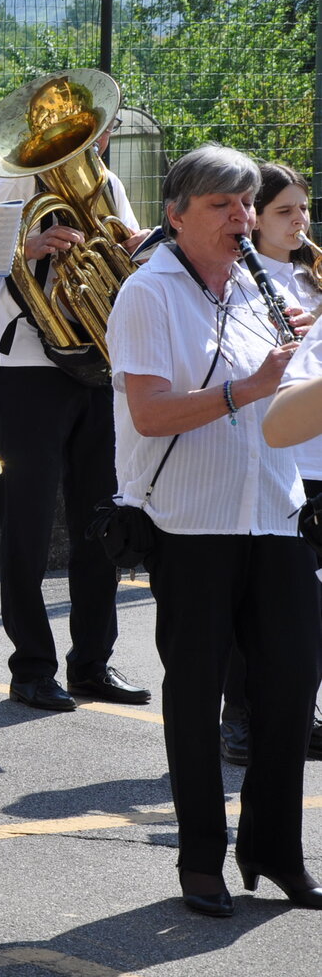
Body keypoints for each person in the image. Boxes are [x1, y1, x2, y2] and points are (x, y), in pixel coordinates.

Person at [108, 143, 321, 916]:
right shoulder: (149, 292)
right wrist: (252, 387)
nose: (241, 217)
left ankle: (275, 851)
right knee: (195, 695)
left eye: (245, 204)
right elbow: (150, 413)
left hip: (275, 513)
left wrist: (299, 374)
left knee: (291, 688)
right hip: (190, 523)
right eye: (221, 205)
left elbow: (291, 407)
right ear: (176, 215)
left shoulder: (270, 287)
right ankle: (201, 860)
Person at [0, 115, 151, 713]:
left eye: (100, 129)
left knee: (101, 516)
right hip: (28, 367)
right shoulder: (11, 184)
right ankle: (31, 667)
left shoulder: (108, 184)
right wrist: (26, 248)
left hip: (97, 362)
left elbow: (125, 262)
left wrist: (134, 252)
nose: (94, 142)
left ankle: (92, 662)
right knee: (26, 522)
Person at [221, 162, 322, 763]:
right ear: (254, 218)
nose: (299, 221)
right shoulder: (243, 279)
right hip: (282, 456)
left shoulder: (313, 275)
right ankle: (239, 718)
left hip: (319, 450)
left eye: (303, 209)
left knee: (310, 607)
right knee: (265, 603)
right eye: (284, 211)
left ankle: (299, 711)